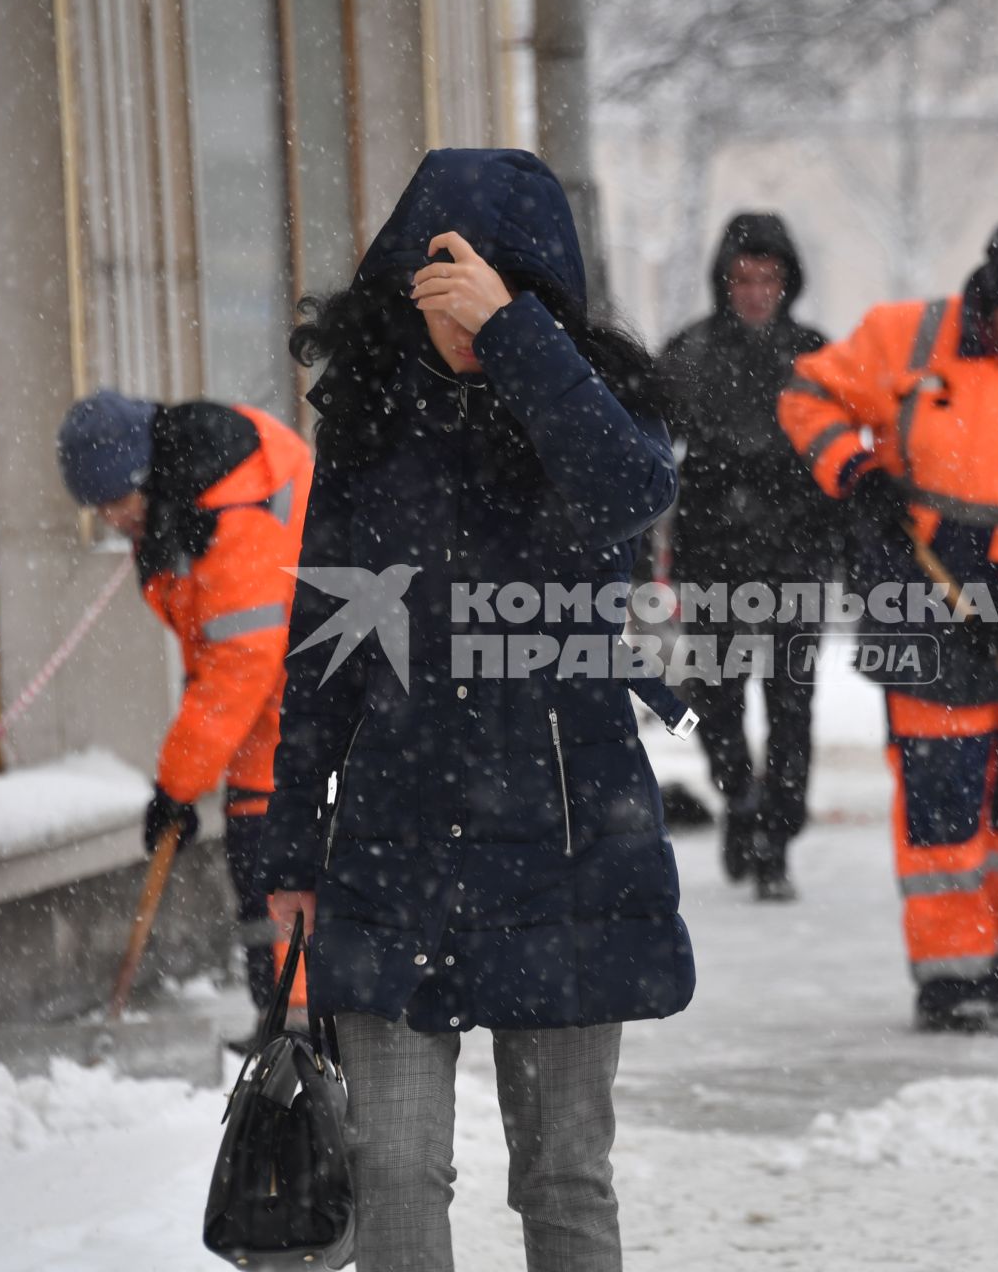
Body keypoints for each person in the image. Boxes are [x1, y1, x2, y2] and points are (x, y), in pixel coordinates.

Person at [259, 149, 693, 1271]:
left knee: (562, 1178)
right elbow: (323, 653)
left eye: (483, 281)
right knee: (395, 1172)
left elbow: (629, 490)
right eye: (435, 279)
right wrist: (291, 842)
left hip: (566, 839)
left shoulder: (587, 414)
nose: (451, 303)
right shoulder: (367, 427)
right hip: (397, 847)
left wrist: (513, 336)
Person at [779, 217, 998, 1033]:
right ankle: (950, 977)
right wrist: (856, 471)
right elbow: (807, 395)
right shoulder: (907, 338)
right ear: (992, 298)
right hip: (927, 585)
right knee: (942, 794)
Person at [56, 388, 311, 1035]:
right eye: (99, 507)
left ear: (148, 473)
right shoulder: (183, 505)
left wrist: (177, 787)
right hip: (278, 711)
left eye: (117, 500)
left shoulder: (234, 503)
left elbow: (238, 661)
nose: (112, 518)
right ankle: (283, 1016)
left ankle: (307, 1026)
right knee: (257, 859)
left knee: (283, 865)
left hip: (318, 712)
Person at [656, 212, 836, 901]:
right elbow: (650, 454)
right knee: (719, 699)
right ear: (723, 283)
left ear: (787, 282)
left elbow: (846, 455)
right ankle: (739, 800)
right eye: (744, 278)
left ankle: (777, 837)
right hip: (714, 556)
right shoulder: (689, 354)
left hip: (796, 556)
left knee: (792, 702)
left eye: (769, 278)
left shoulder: (819, 358)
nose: (757, 291)